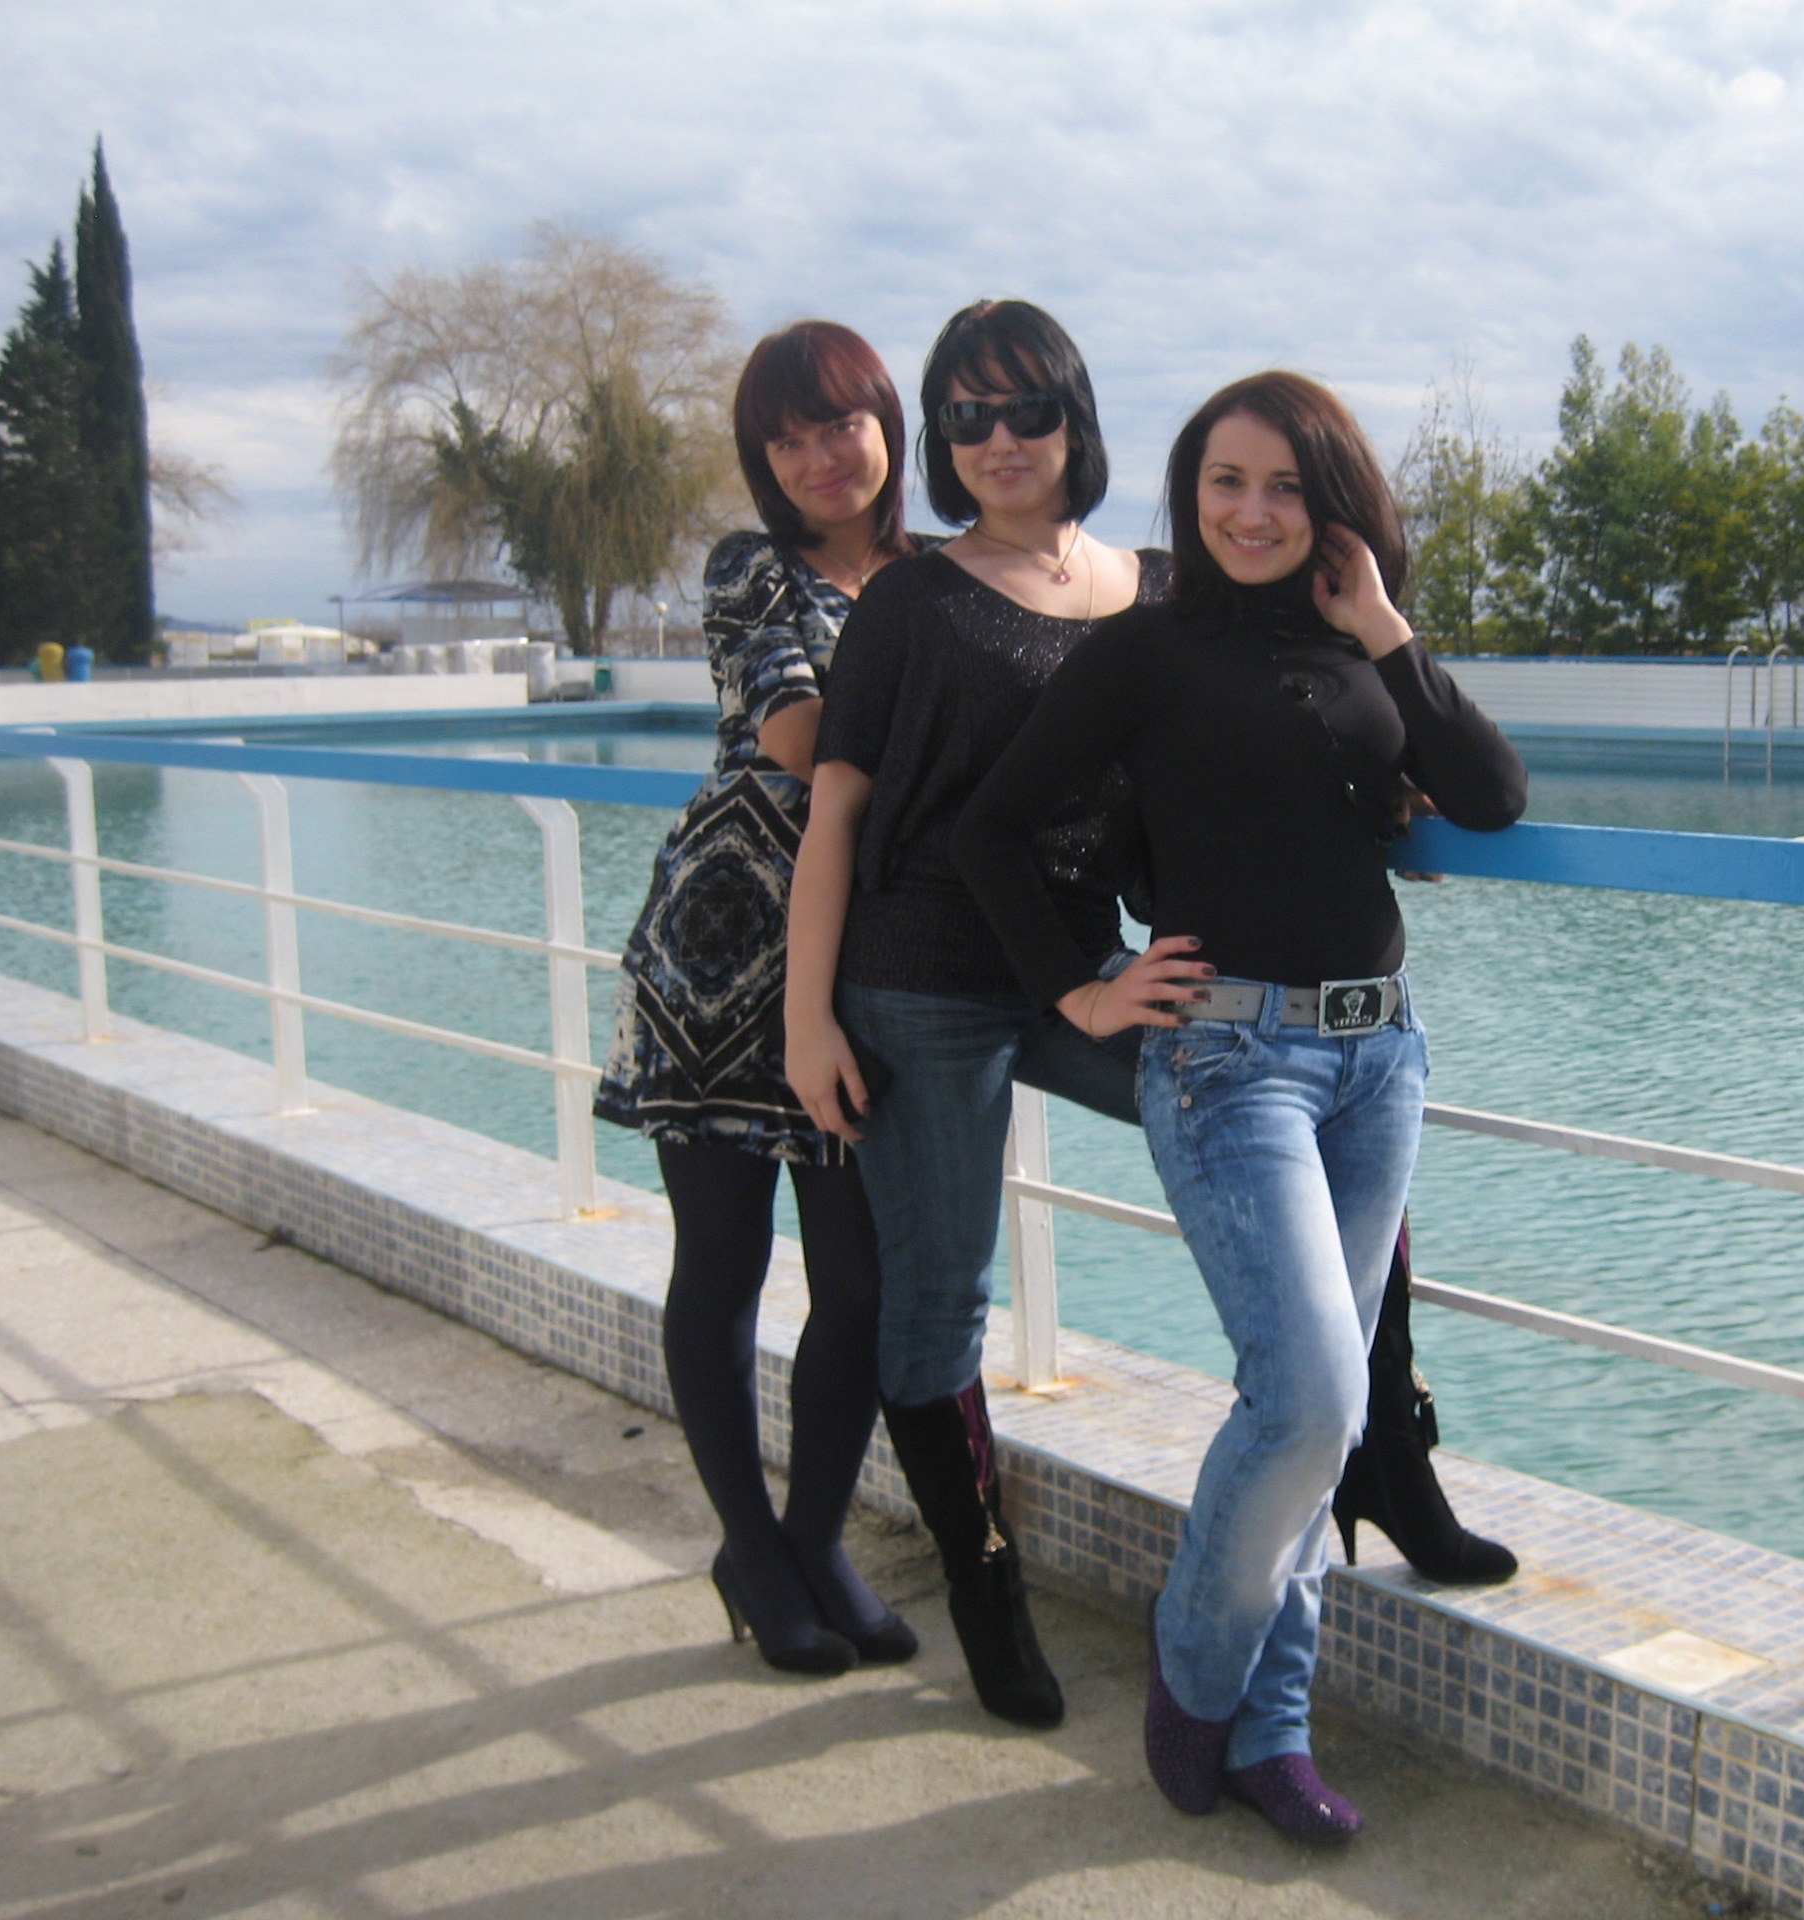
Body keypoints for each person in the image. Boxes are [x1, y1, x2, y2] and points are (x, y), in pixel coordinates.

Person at [952, 372, 1526, 1838]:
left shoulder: (1356, 643)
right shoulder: (1145, 649)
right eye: (1225, 482)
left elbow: (1492, 796)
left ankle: (1273, 1735)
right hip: (1229, 1062)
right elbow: (991, 828)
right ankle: (1199, 1675)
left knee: (1311, 1418)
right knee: (1314, 1398)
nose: (1253, 512)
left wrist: (1384, 628)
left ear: (1331, 502)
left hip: (1380, 1059)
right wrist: (1081, 991)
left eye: (1284, 485)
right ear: (1189, 493)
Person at [786, 298, 1166, 1730]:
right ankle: (989, 1595)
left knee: (1279, 1105)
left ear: (1076, 416)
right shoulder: (912, 604)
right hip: (921, 981)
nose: (999, 439)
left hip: (1088, 971)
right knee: (941, 1300)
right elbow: (836, 815)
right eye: (966, 416)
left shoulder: (1156, 592)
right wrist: (806, 1021)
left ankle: (1386, 1446)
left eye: (1027, 409)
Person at [594, 320, 922, 1677]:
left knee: (860, 1283)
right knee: (721, 1264)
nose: (817, 457)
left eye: (838, 423)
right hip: (722, 956)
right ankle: (752, 1545)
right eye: (784, 440)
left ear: (887, 421)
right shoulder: (750, 567)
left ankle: (812, 1536)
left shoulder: (943, 575)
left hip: (869, 966)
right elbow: (796, 733)